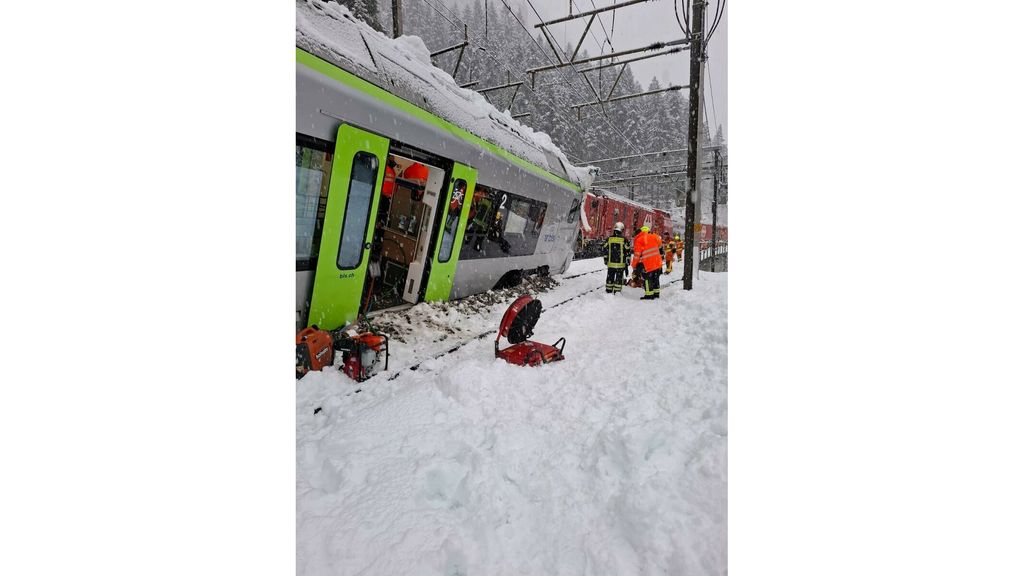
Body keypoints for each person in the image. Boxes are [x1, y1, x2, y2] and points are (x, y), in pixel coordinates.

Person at [631, 225, 663, 300]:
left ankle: (649, 295)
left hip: (648, 263)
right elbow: (660, 244)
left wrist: (634, 265)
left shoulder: (639, 239)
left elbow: (637, 255)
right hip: (657, 262)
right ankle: (656, 294)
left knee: (648, 279)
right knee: (655, 278)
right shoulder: (654, 236)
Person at [602, 221, 629, 294]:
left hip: (611, 263)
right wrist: (627, 262)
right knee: (618, 278)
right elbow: (627, 251)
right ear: (622, 230)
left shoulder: (609, 239)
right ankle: (617, 291)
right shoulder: (624, 240)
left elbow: (604, 249)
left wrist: (606, 259)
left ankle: (608, 290)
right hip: (620, 264)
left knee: (610, 277)